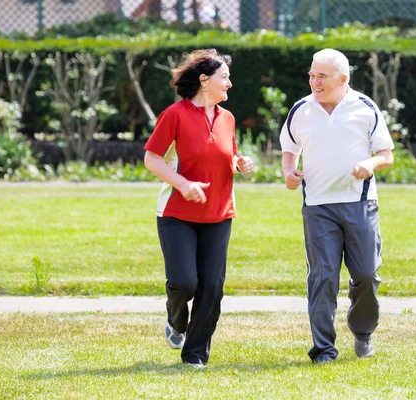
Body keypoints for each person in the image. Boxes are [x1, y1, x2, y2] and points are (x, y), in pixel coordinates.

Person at [280, 48, 394, 363]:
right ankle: (324, 350)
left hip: (359, 204)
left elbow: (386, 154)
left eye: (321, 76)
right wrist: (289, 172)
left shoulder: (365, 108)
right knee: (323, 278)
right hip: (318, 206)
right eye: (312, 75)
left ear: (343, 79)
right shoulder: (300, 110)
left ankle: (362, 332)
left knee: (367, 274)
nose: (314, 81)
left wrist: (370, 164)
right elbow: (289, 150)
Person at [144, 48, 253, 368]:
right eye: (225, 78)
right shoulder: (174, 115)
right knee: (184, 283)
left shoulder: (227, 119)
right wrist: (183, 184)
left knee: (212, 288)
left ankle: (195, 354)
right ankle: (176, 321)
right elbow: (152, 158)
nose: (229, 84)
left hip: (219, 213)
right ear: (204, 81)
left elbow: (223, 157)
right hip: (177, 214)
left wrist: (239, 162)